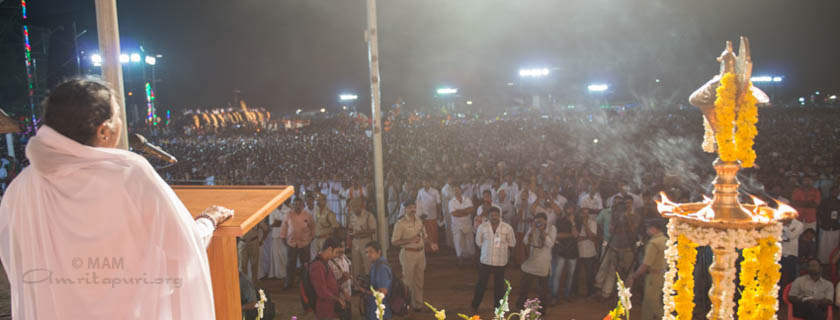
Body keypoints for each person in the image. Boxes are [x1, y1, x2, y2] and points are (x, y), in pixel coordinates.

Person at [0, 78, 233, 319]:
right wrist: (208, 220)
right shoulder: (128, 174)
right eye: (118, 116)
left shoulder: (22, 186)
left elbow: (19, 267)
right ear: (103, 131)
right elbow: (184, 248)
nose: (122, 124)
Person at [391, 201, 439, 311]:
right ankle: (405, 306)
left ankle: (418, 305)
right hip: (408, 253)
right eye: (409, 208)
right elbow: (394, 242)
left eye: (414, 207)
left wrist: (431, 243)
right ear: (405, 209)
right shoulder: (400, 223)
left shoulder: (419, 221)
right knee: (407, 282)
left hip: (420, 254)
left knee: (419, 281)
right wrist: (410, 240)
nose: (412, 210)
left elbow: (424, 236)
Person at [472, 207, 516, 313]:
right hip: (486, 260)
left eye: (496, 215)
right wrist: (487, 248)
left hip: (501, 261)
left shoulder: (507, 228)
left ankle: (498, 308)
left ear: (499, 216)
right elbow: (478, 242)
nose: (494, 217)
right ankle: (474, 306)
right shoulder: (482, 227)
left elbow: (512, 243)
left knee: (499, 286)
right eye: (492, 215)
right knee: (481, 284)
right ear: (488, 216)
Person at [516, 212, 556, 316]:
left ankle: (542, 311)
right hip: (531, 263)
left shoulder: (552, 229)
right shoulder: (533, 228)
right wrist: (532, 229)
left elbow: (550, 244)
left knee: (542, 291)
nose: (539, 223)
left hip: (543, 264)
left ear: (546, 221)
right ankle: (520, 306)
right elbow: (525, 241)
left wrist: (543, 232)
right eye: (537, 221)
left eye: (541, 221)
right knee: (524, 287)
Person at [627, 220, 668, 320]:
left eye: (648, 228)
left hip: (653, 276)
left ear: (654, 228)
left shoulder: (654, 243)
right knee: (648, 304)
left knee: (652, 303)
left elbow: (646, 264)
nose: (647, 230)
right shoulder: (665, 239)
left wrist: (634, 276)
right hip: (663, 274)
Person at [280, 198, 315, 289]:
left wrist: (309, 239)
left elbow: (313, 228)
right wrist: (284, 239)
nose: (297, 206)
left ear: (303, 205)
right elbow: (284, 228)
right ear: (292, 205)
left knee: (305, 265)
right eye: (295, 204)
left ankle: (305, 283)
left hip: (304, 244)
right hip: (292, 244)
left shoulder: (308, 215)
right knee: (290, 265)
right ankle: (288, 284)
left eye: (299, 204)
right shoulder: (288, 215)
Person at [310, 237, 348, 320]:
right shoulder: (318, 266)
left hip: (330, 307)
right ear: (329, 249)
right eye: (337, 252)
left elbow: (329, 284)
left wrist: (342, 280)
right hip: (324, 309)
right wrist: (337, 299)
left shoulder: (325, 263)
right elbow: (322, 291)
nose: (338, 255)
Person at [550, 205, 578, 304]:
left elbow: (576, 235)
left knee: (570, 275)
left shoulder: (577, 220)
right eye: (568, 208)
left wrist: (572, 223)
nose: (569, 210)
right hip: (561, 251)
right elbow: (557, 236)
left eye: (571, 208)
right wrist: (570, 235)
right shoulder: (560, 220)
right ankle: (554, 296)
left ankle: (567, 295)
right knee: (557, 275)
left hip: (573, 252)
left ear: (574, 209)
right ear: (565, 210)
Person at [364, 241, 393, 320]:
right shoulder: (375, 265)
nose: (368, 255)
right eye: (366, 252)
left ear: (379, 252)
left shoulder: (381, 268)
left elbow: (383, 291)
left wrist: (366, 292)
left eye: (371, 252)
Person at [349, 198, 377, 278]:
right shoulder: (352, 215)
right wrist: (350, 234)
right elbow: (350, 228)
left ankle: (369, 283)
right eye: (353, 208)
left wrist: (361, 233)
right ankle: (357, 285)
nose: (354, 210)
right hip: (355, 242)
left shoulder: (369, 215)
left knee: (368, 263)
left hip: (365, 241)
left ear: (361, 207)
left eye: (356, 208)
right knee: (355, 264)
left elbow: (373, 230)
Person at [449, 185, 476, 266]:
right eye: (454, 190)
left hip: (467, 223)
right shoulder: (451, 201)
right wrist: (465, 211)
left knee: (470, 242)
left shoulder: (467, 199)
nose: (456, 191)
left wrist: (459, 211)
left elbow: (471, 210)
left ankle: (472, 258)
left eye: (457, 190)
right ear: (452, 192)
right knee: (458, 242)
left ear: (461, 190)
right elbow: (454, 214)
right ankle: (460, 259)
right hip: (457, 225)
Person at [576, 208, 599, 297]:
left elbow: (592, 236)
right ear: (580, 214)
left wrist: (586, 226)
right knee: (576, 273)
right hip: (577, 251)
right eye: (583, 213)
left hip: (590, 252)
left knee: (590, 274)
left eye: (587, 213)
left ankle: (590, 292)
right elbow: (576, 237)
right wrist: (587, 236)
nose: (585, 215)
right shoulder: (577, 222)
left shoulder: (593, 223)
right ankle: (575, 293)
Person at [239, 218, 269, 285]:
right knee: (242, 265)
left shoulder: (256, 219)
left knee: (254, 264)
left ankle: (254, 284)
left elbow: (266, 229)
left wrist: (262, 240)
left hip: (254, 242)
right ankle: (244, 285)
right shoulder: (239, 219)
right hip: (242, 243)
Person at [327, 231, 352, 311]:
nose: (342, 249)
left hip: (347, 293)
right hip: (337, 296)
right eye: (339, 247)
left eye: (343, 246)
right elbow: (328, 284)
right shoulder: (330, 262)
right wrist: (342, 280)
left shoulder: (345, 258)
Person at [416, 179, 442, 254]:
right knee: (425, 234)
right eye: (424, 182)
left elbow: (438, 203)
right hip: (423, 216)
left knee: (434, 233)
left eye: (427, 181)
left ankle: (435, 249)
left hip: (433, 215)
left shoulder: (435, 191)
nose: (425, 183)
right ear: (422, 182)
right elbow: (417, 203)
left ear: (430, 182)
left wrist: (440, 213)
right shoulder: (420, 191)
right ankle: (427, 250)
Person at [817, 186, 840, 264]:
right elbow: (819, 212)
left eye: (837, 192)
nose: (835, 193)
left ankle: (833, 262)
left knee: (834, 245)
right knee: (824, 246)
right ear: (830, 192)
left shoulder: (839, 202)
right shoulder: (824, 201)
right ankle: (823, 262)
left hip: (835, 227)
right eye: (834, 191)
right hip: (825, 226)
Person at [268, 202, 290, 280]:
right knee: (276, 255)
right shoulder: (272, 210)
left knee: (285, 254)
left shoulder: (288, 210)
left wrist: (278, 222)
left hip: (286, 236)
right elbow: (271, 224)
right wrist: (282, 222)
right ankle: (278, 274)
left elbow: (289, 223)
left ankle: (286, 273)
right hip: (276, 236)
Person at [781, 217, 805, 287]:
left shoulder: (799, 224)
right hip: (780, 252)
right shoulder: (779, 221)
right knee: (779, 277)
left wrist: (784, 227)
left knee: (790, 276)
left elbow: (791, 236)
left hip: (791, 253)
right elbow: (778, 236)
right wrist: (785, 237)